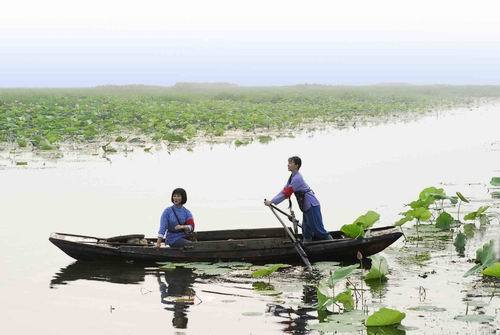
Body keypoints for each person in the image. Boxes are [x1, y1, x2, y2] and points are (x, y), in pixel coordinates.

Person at [264, 156, 333, 242]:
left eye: (290, 163)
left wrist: (272, 201)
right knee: (306, 230)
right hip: (306, 206)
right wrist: (272, 201)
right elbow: (284, 190)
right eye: (288, 163)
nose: (288, 165)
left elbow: (286, 193)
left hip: (311, 205)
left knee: (318, 230)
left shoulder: (297, 179)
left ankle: (332, 243)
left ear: (296, 165)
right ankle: (306, 245)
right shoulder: (292, 177)